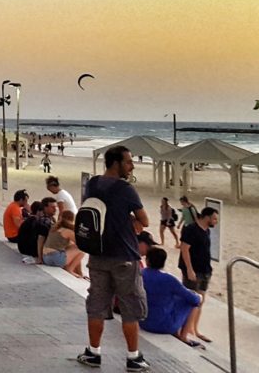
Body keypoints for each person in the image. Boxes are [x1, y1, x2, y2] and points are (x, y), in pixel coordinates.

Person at [77, 145, 151, 371]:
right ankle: (133, 357)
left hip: (98, 254)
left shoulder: (93, 184)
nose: (132, 166)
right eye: (128, 162)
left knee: (96, 304)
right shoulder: (126, 189)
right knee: (130, 306)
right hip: (124, 257)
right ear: (116, 163)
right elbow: (145, 220)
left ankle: (93, 352)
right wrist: (129, 217)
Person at [140, 247, 203, 346]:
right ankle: (183, 336)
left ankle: (178, 333)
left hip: (143, 322)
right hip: (163, 325)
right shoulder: (169, 279)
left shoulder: (141, 274)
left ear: (147, 260)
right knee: (193, 301)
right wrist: (199, 297)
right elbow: (193, 299)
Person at [178, 205, 218, 344]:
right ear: (206, 217)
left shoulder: (206, 231)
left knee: (200, 300)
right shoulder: (191, 229)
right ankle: (184, 329)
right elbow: (184, 249)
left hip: (205, 269)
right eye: (214, 218)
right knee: (191, 300)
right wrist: (189, 269)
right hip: (194, 270)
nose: (215, 222)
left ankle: (194, 329)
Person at [41, 209, 84, 278]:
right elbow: (81, 245)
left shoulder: (54, 228)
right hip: (55, 259)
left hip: (46, 258)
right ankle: (70, 269)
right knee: (81, 250)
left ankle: (75, 271)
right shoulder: (68, 231)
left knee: (71, 247)